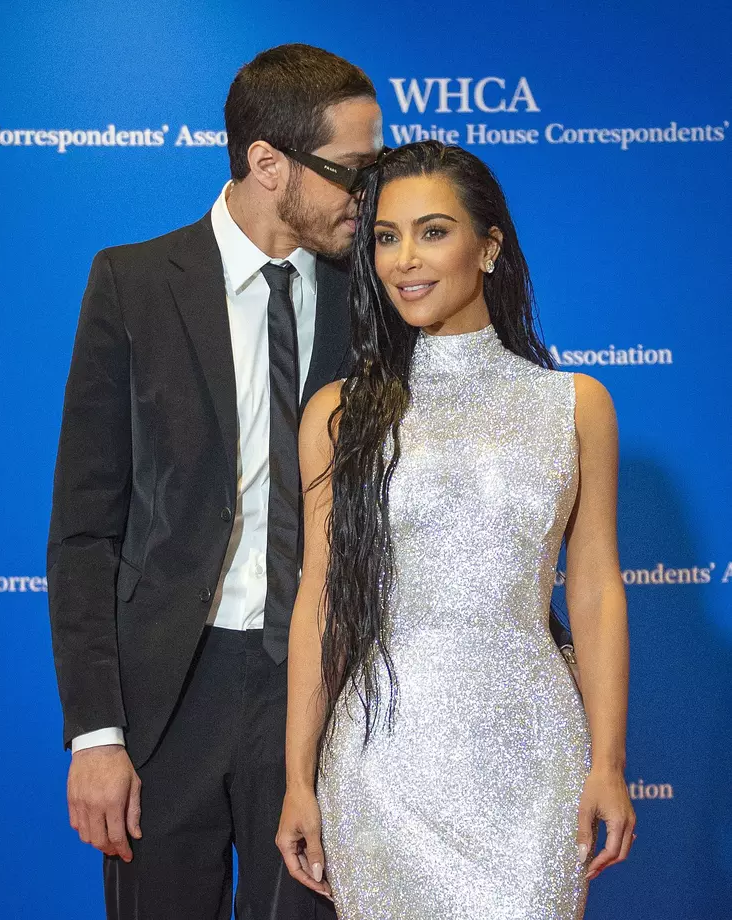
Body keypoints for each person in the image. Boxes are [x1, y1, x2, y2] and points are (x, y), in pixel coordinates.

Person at [47, 43, 383, 920]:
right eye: (354, 171)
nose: (371, 195)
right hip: (166, 700)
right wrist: (96, 736)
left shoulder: (375, 296)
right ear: (266, 163)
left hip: (317, 688)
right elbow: (85, 530)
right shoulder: (131, 284)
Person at [276, 141, 636, 919]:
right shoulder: (339, 415)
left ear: (490, 246)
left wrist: (608, 761)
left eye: (433, 231)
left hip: (534, 764)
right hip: (380, 764)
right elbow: (320, 605)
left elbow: (599, 591)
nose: (406, 258)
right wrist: (298, 780)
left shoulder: (576, 405)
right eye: (386, 236)